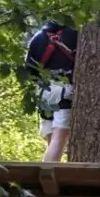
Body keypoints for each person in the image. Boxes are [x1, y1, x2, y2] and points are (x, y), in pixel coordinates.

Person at [25, 20, 79, 163]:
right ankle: (47, 173)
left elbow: (30, 70)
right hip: (64, 90)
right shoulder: (75, 34)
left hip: (44, 91)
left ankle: (48, 169)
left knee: (52, 139)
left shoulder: (37, 37)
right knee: (60, 137)